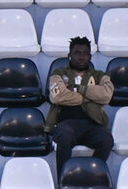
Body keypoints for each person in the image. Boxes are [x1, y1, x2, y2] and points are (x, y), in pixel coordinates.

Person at [45, 37, 114, 178]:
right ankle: (64, 181)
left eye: (85, 53)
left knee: (107, 139)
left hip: (93, 124)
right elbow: (58, 97)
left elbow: (106, 95)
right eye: (77, 53)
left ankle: (92, 176)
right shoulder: (58, 74)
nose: (82, 57)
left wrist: (78, 89)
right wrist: (91, 96)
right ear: (69, 55)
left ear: (90, 56)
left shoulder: (100, 75)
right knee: (64, 137)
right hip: (65, 124)